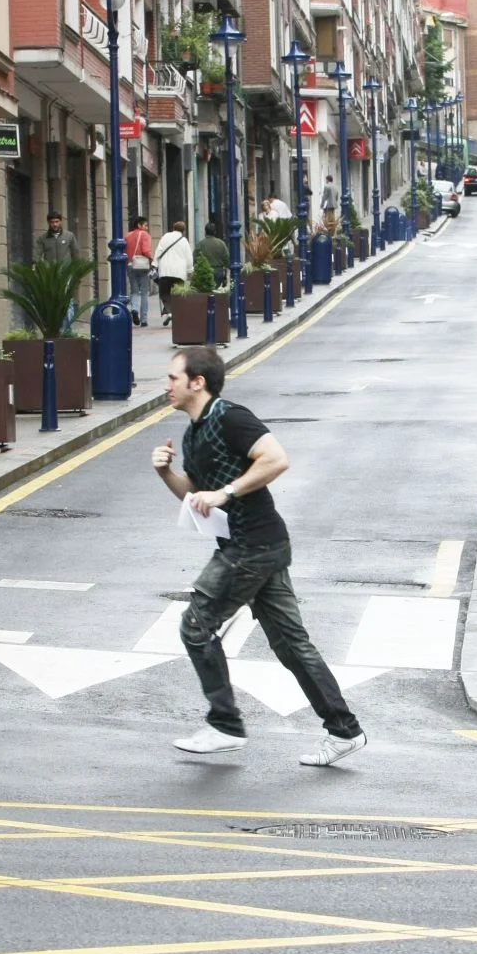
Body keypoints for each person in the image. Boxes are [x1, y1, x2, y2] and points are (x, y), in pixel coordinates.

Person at [149, 347, 366, 765]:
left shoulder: (231, 417)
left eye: (173, 377)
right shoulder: (194, 433)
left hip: (251, 546)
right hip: (259, 545)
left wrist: (227, 492)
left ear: (198, 382)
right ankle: (345, 730)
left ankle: (225, 725)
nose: (166, 385)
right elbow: (196, 497)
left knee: (195, 625)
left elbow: (276, 459)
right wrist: (166, 473)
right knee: (291, 645)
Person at [153, 219, 192, 325]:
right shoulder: (184, 241)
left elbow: (159, 251)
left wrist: (154, 264)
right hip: (179, 273)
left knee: (164, 293)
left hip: (165, 271)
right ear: (183, 230)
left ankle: (170, 312)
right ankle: (176, 314)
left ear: (173, 228)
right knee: (178, 294)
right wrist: (190, 270)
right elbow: (189, 258)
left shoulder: (165, 237)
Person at [125, 216, 155, 327]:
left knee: (134, 291)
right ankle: (144, 319)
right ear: (139, 225)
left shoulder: (127, 236)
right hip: (142, 266)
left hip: (130, 264)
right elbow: (145, 250)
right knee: (144, 292)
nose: (147, 228)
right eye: (145, 225)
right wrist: (152, 259)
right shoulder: (145, 235)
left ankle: (134, 309)